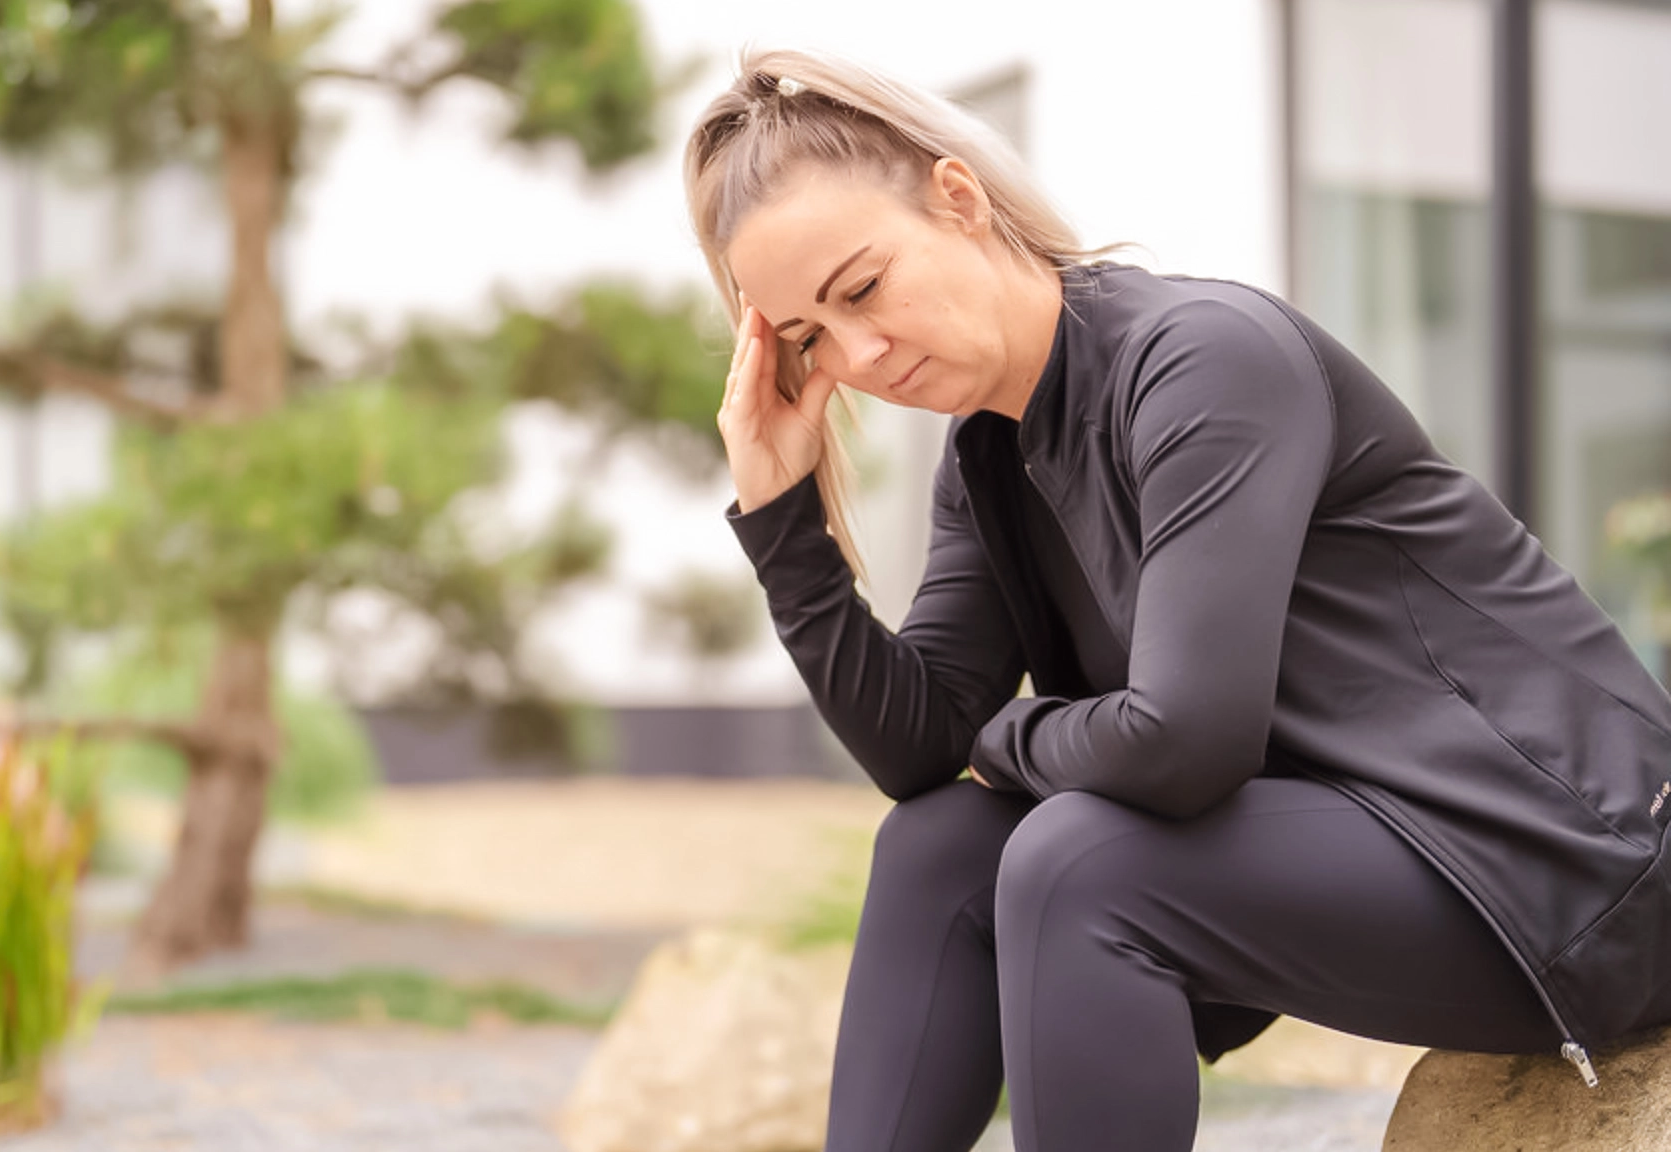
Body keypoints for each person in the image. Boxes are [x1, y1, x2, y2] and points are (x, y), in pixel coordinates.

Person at [684, 46, 1671, 1152]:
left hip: (1574, 861)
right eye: (810, 338)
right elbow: (918, 752)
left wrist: (1002, 737)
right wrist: (783, 520)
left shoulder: (1202, 360)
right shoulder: (989, 454)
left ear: (956, 198)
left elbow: (1185, 741)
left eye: (863, 288)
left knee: (1076, 862)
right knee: (939, 846)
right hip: (1373, 838)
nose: (861, 353)